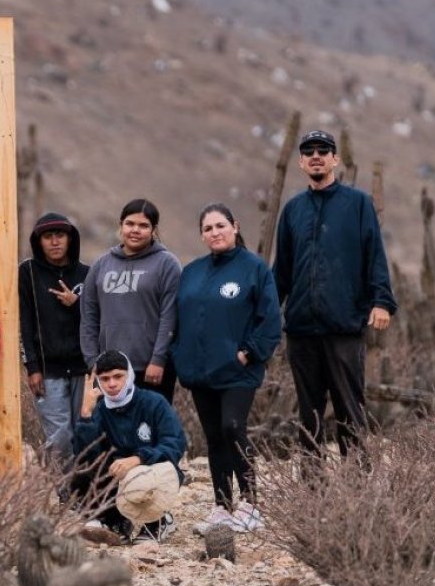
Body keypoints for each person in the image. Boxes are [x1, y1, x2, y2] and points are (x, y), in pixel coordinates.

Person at [274, 130, 397, 456]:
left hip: (343, 325)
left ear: (335, 159)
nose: (316, 155)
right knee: (309, 415)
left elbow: (375, 255)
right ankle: (312, 494)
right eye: (309, 151)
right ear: (301, 162)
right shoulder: (292, 211)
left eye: (323, 150)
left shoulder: (357, 204)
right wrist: (266, 313)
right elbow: (281, 271)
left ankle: (355, 490)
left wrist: (382, 301)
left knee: (349, 410)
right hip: (301, 329)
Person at [174, 204, 281, 534]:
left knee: (233, 427)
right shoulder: (191, 272)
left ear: (235, 227)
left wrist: (249, 353)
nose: (215, 232)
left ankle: (250, 504)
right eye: (208, 228)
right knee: (213, 437)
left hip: (237, 371)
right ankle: (222, 506)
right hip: (199, 371)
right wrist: (178, 354)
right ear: (202, 235)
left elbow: (271, 319)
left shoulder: (254, 268)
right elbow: (178, 319)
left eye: (221, 225)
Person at [71, 350, 186, 543]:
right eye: (105, 378)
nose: (112, 384)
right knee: (81, 474)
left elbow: (175, 443)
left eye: (118, 376)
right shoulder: (99, 409)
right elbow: (85, 458)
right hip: (118, 476)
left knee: (138, 477)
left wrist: (139, 458)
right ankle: (115, 521)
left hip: (155, 472)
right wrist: (85, 415)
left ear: (130, 375)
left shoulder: (153, 402)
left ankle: (159, 521)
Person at [81, 199, 182, 403]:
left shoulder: (167, 264)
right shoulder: (101, 265)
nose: (135, 230)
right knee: (111, 433)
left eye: (143, 225)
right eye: (130, 224)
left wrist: (158, 360)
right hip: (110, 372)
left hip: (150, 369)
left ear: (153, 230)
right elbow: (88, 316)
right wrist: (92, 361)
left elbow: (169, 317)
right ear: (121, 226)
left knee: (149, 432)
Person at [19, 212, 91, 464]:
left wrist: (76, 303)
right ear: (38, 242)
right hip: (47, 370)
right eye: (48, 236)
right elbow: (23, 323)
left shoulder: (87, 274)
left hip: (84, 368)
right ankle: (64, 495)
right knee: (59, 437)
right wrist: (32, 367)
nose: (54, 242)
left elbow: (98, 320)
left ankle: (84, 495)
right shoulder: (27, 272)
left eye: (60, 235)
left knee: (85, 433)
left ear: (71, 239)